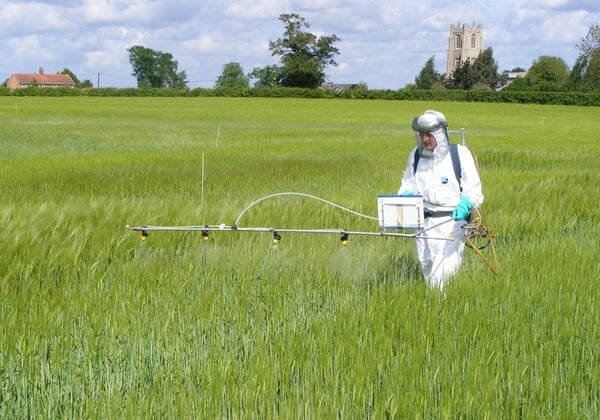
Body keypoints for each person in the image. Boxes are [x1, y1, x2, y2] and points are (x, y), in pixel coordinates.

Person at [398, 110, 483, 288]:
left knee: (442, 276)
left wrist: (466, 204)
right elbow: (408, 183)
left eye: (429, 134)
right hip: (422, 222)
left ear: (440, 133)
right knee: (427, 268)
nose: (424, 139)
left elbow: (474, 189)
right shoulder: (416, 155)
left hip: (451, 222)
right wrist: (405, 195)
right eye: (421, 134)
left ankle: (442, 309)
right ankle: (433, 310)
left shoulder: (460, 154)